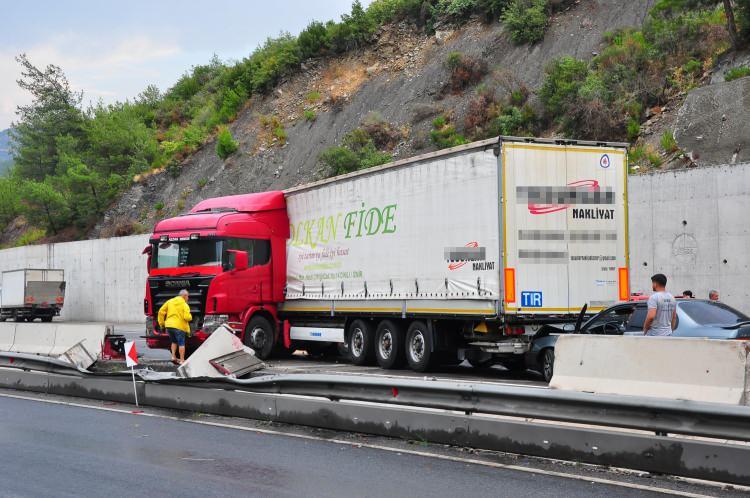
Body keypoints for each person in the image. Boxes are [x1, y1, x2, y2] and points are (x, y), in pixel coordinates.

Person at [157, 289, 192, 365]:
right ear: (184, 296)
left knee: (174, 341)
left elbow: (161, 312)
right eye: (188, 296)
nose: (188, 298)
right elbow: (187, 317)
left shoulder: (170, 301)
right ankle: (182, 360)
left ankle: (173, 357)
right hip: (179, 326)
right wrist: (190, 317)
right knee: (181, 343)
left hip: (169, 326)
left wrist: (162, 323)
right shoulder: (184, 305)